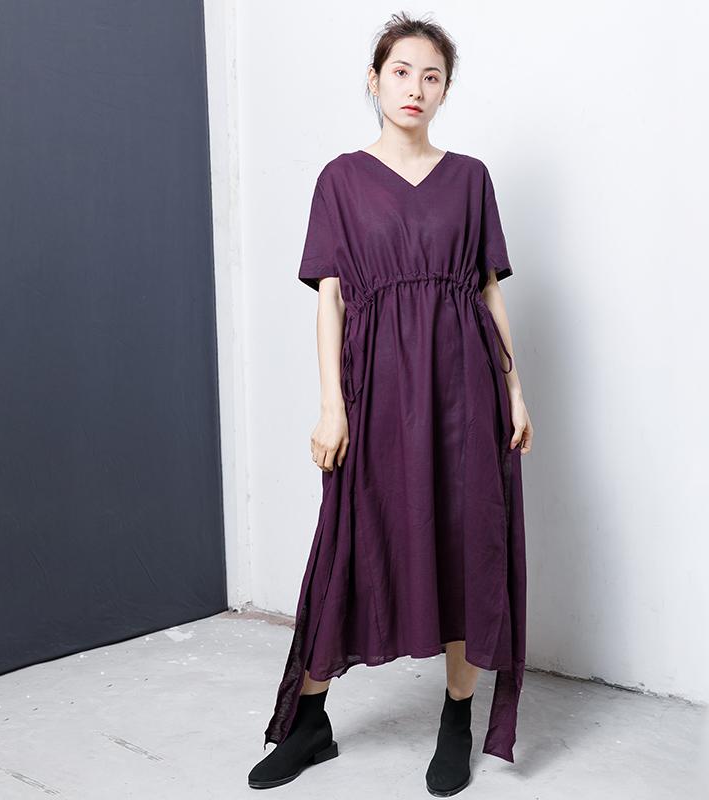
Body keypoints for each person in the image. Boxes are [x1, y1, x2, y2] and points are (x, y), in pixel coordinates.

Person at [248, 11, 533, 796]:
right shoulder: (341, 180)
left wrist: (515, 391)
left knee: (466, 541)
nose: (416, 87)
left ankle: (456, 720)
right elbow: (331, 301)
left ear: (446, 90)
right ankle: (309, 722)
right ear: (374, 81)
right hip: (374, 392)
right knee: (350, 542)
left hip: (466, 391)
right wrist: (330, 407)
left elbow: (486, 292)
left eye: (432, 76)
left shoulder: (469, 178)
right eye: (401, 71)